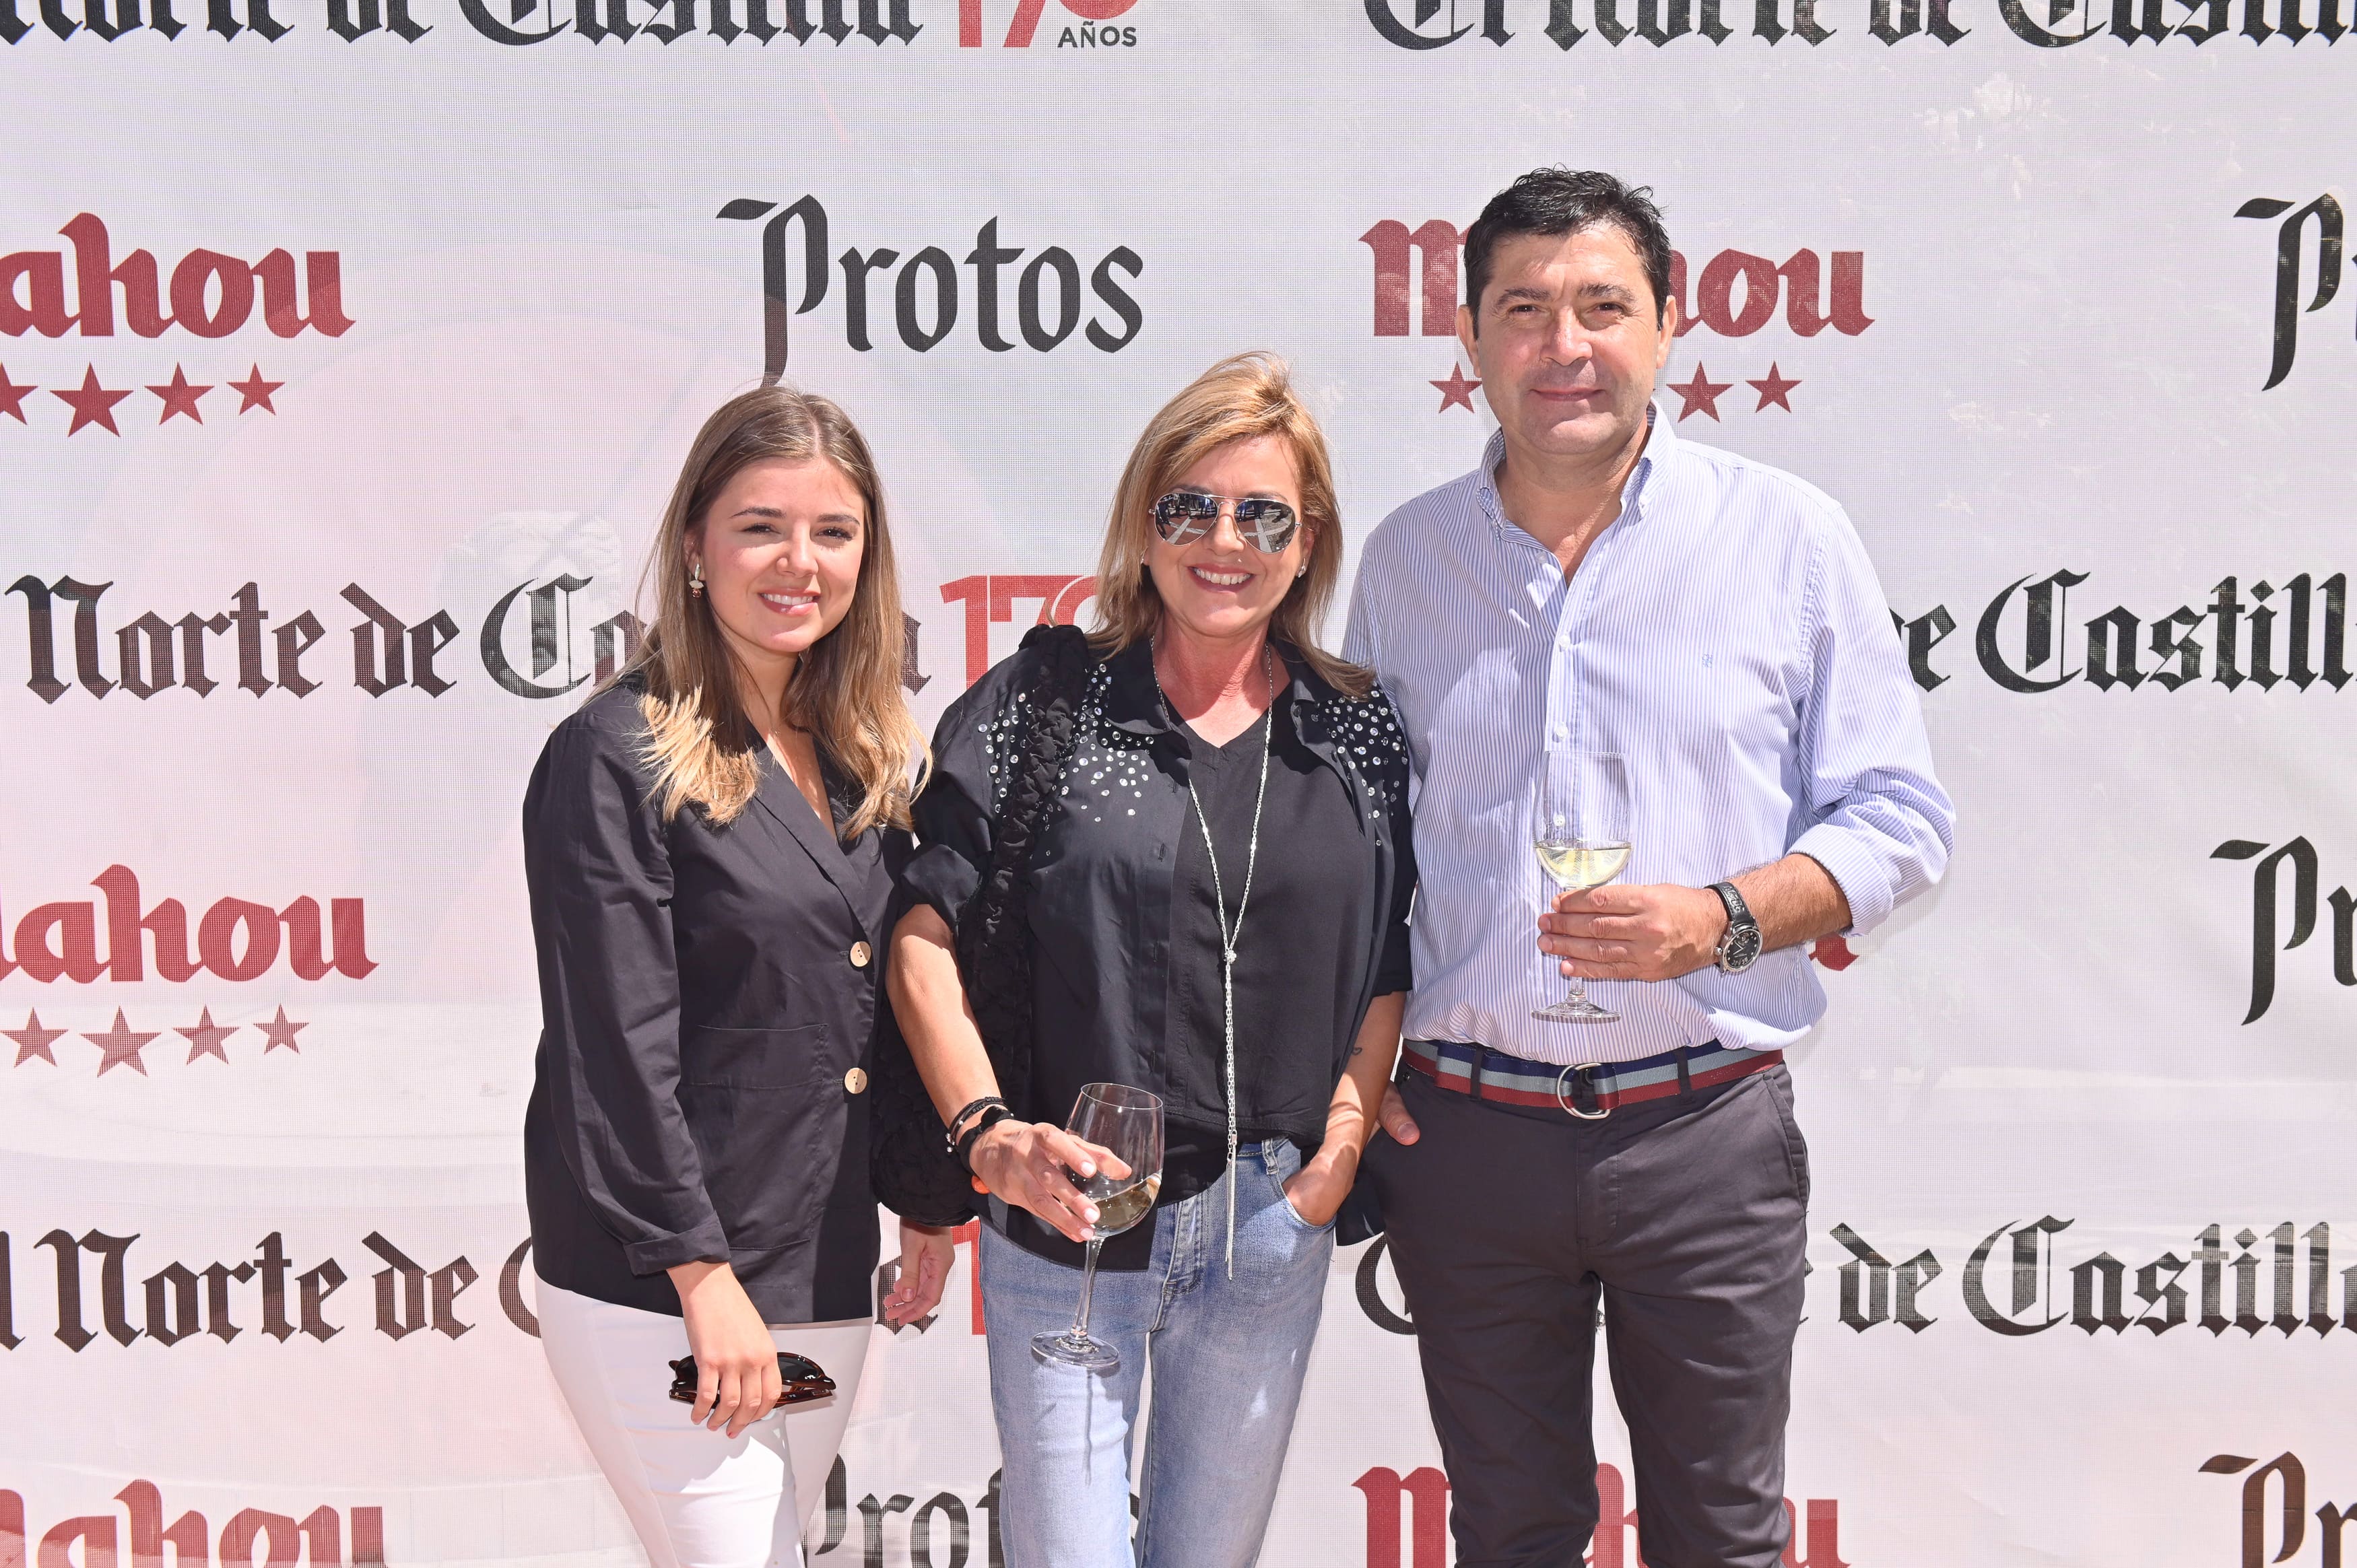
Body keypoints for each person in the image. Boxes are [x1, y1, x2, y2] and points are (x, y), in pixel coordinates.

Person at [1348, 169, 1956, 1568]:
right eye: (1524, 309)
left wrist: (1725, 918)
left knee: (1719, 1536)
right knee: (1509, 1533)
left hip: (1704, 1132)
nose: (1564, 344)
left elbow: (1899, 820)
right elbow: (1367, 854)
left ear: (1670, 325)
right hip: (1470, 1139)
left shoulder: (1787, 537)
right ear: (1471, 339)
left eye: (1602, 305)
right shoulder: (1404, 561)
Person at [886, 353, 1416, 1567]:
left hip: (1268, 1228)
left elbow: (1389, 954)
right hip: (1071, 1219)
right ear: (1144, 521)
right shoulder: (1046, 702)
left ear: (1306, 539)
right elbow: (924, 932)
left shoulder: (1357, 727)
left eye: (1261, 513)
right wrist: (986, 1133)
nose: (1222, 539)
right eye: (1190, 505)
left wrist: (1337, 1146)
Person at [521, 386, 956, 1568]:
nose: (798, 562)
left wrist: (922, 1194)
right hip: (666, 1279)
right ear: (696, 547)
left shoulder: (866, 756)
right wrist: (702, 1279)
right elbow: (613, 1047)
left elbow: (877, 1007)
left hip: (819, 1256)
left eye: (833, 532)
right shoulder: (614, 755)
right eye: (761, 525)